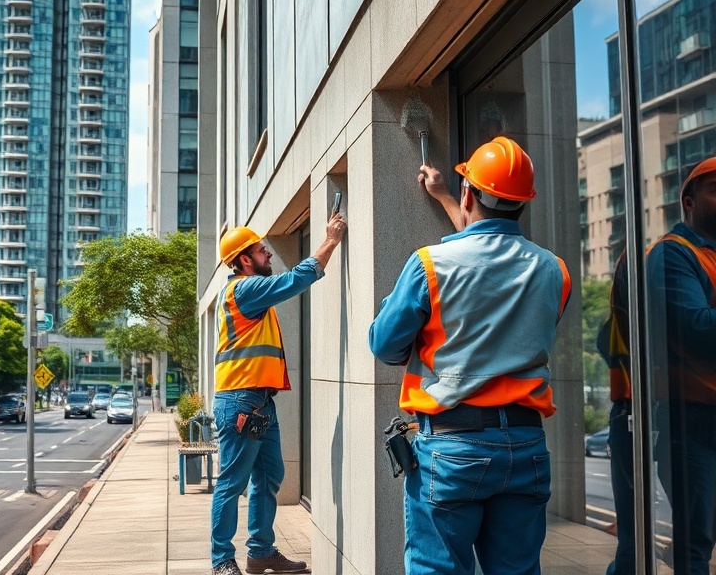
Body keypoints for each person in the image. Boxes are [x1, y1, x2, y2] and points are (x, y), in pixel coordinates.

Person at [369, 136, 571, 574]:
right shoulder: (555, 270)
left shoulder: (429, 264)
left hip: (453, 448)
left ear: (468, 194)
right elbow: (492, 259)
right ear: (524, 203)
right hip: (527, 446)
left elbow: (383, 345)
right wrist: (444, 195)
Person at [210, 213, 347, 575]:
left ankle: (261, 553)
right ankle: (222, 560)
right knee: (232, 483)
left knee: (269, 477)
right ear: (244, 260)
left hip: (258, 402)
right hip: (241, 401)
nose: (268, 253)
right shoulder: (244, 289)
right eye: (261, 250)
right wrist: (330, 240)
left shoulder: (247, 292)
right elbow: (296, 279)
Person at [647, 156, 716, 575]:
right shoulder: (672, 254)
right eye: (715, 190)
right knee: (696, 543)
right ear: (688, 201)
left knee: (699, 535)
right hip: (691, 422)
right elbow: (697, 330)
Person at [596, 251, 636, 575]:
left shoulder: (632, 263)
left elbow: (603, 342)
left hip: (628, 409)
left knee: (632, 533)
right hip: (635, 408)